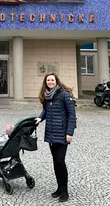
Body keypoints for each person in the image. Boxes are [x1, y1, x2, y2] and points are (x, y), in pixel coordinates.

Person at [35, 73, 76, 202]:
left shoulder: (64, 94)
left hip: (62, 135)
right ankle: (59, 188)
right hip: (51, 134)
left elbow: (71, 115)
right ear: (45, 82)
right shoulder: (47, 95)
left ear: (56, 81)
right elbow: (46, 111)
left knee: (60, 161)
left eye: (52, 80)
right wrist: (40, 118)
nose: (50, 82)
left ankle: (65, 191)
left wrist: (69, 133)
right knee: (56, 162)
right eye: (48, 80)